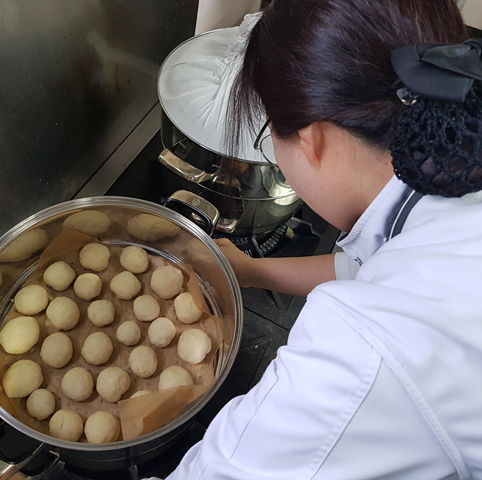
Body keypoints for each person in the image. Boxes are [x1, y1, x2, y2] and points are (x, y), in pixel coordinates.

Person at [161, 0, 482, 478]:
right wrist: (248, 270)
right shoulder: (453, 136)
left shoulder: (367, 352)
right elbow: (374, 266)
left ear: (313, 139)